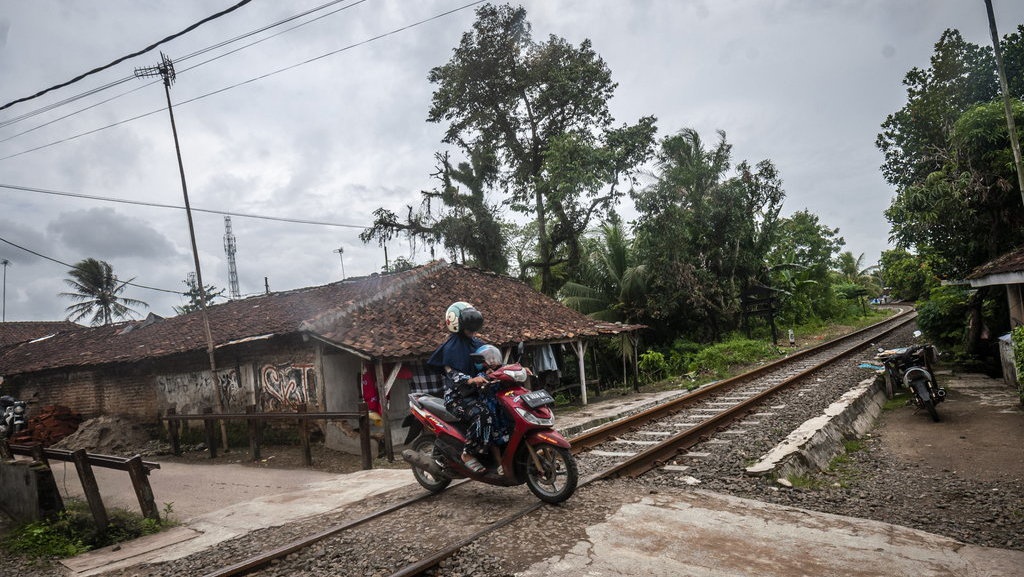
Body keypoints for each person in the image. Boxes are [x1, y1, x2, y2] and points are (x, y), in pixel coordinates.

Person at [426, 302, 491, 472]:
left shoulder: (477, 343)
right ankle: (467, 454)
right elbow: (452, 373)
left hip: (477, 394)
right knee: (482, 413)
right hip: (458, 398)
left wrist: (512, 369)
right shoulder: (450, 348)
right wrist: (470, 380)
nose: (472, 332)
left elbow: (491, 361)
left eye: (474, 328)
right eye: (469, 328)